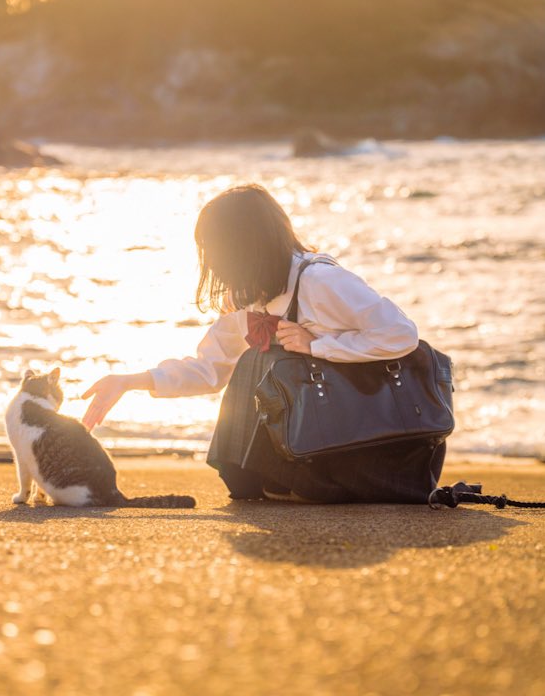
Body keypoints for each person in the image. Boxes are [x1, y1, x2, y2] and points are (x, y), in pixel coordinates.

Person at [82, 184, 445, 503]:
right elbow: (210, 368)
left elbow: (400, 334)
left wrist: (317, 345)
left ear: (244, 248)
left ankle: (320, 481)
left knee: (266, 358)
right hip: (310, 447)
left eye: (216, 251)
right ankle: (281, 478)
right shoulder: (247, 300)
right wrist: (131, 382)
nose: (213, 265)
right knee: (254, 360)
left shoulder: (321, 281)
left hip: (371, 443)